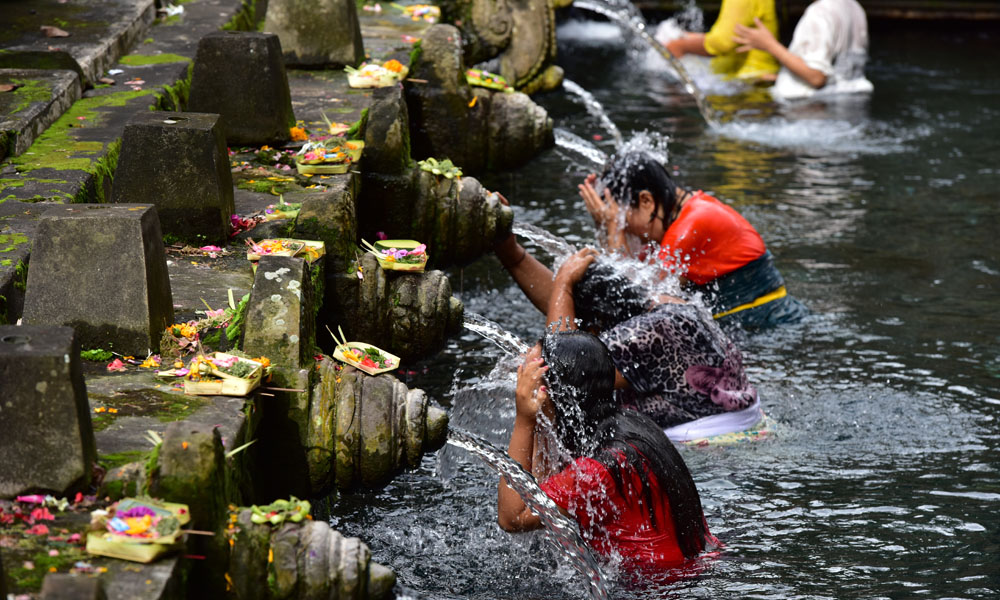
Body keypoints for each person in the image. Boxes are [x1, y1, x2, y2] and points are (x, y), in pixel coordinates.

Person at [495, 238, 763, 438]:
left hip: (711, 444)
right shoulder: (666, 305)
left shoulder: (639, 335)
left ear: (597, 324)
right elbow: (571, 314)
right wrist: (511, 251)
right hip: (750, 424)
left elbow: (560, 364)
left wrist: (565, 284)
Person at [497, 330, 720, 571]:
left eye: (530, 376)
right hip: (694, 567)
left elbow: (512, 517)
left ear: (552, 392)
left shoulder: (595, 471)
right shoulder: (631, 424)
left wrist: (525, 420)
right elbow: (547, 487)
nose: (521, 382)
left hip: (654, 588)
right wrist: (543, 423)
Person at [578, 151, 807, 329]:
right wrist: (604, 224)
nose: (627, 232)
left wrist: (612, 230)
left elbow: (632, 301)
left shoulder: (690, 227)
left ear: (646, 200)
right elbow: (623, 277)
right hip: (756, 326)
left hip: (771, 330)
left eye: (622, 221)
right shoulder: (680, 214)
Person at [732, 0, 873, 100]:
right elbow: (840, 67)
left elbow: (817, 78)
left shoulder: (819, 12)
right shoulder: (854, 7)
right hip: (849, 100)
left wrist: (770, 45)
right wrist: (782, 76)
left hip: (809, 110)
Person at [659, 0, 780, 81]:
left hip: (748, 81)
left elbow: (724, 42)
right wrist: (686, 36)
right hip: (747, 79)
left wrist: (680, 45)